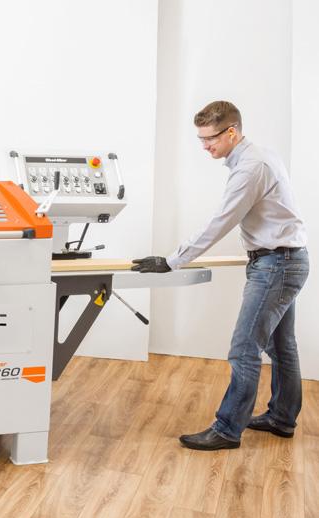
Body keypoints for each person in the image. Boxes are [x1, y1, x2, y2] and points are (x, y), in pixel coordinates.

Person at [131, 100, 309, 451]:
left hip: (277, 264)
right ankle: (282, 418)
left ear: (231, 132)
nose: (204, 146)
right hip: (285, 259)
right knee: (281, 346)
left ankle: (227, 429)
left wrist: (172, 260)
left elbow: (220, 222)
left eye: (210, 138)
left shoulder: (250, 168)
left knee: (244, 349)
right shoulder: (257, 156)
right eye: (200, 138)